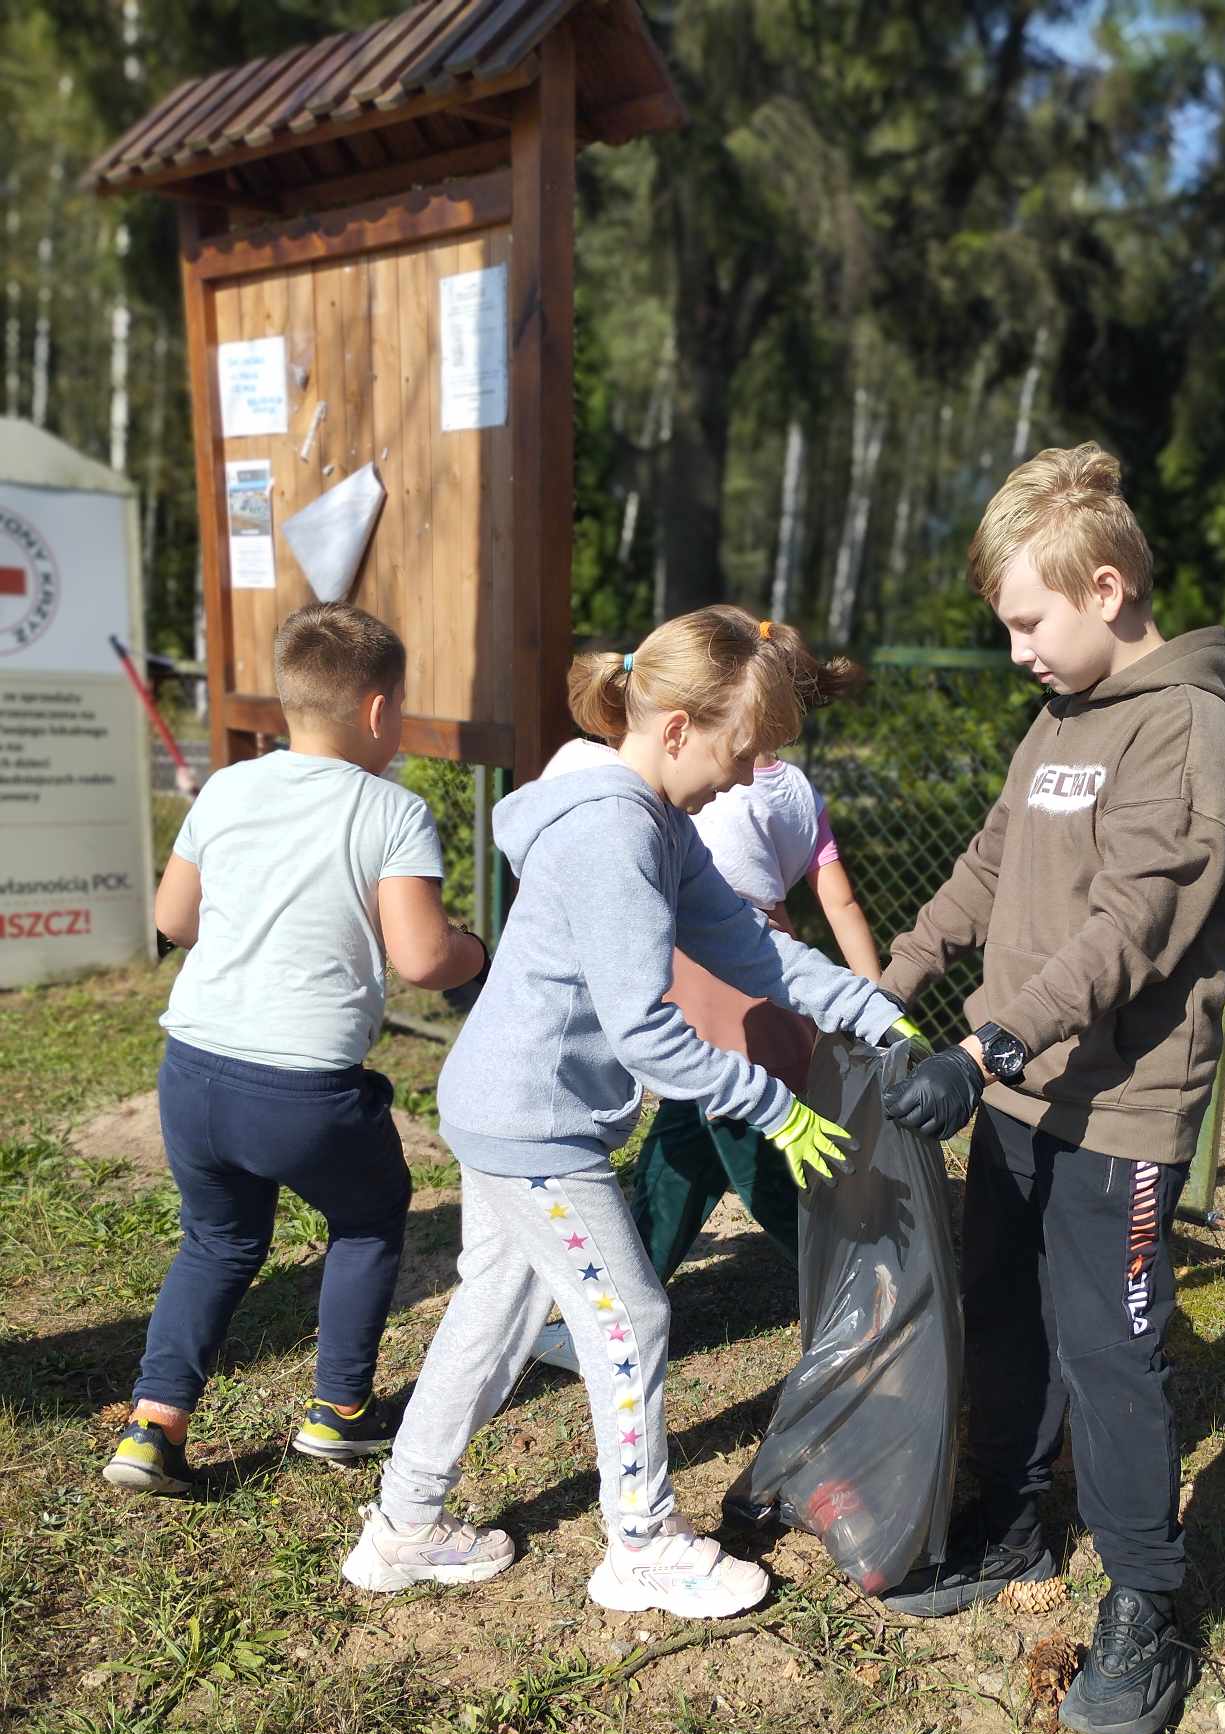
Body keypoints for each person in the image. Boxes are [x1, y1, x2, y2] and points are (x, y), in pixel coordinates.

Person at [342, 607, 914, 1618]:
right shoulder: (615, 830)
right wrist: (772, 1109)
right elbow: (645, 1031)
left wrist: (872, 1010)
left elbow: (752, 949)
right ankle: (641, 1544)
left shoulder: (654, 821)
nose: (746, 779)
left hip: (511, 1105)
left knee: (495, 1308)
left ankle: (404, 1524)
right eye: (741, 752)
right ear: (681, 729)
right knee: (632, 1314)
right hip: (532, 1122)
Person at [877, 443, 1225, 1734]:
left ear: (1106, 590)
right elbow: (991, 862)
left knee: (1113, 1355)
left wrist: (987, 1046)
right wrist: (899, 976)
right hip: (1019, 1096)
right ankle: (1011, 1522)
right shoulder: (1059, 720)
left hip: (1118, 1113)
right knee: (1004, 1315)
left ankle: (1150, 1597)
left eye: (1030, 622)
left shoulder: (1189, 732)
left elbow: (1132, 929)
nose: (1018, 651)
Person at [103, 603, 489, 1497]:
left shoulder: (227, 788)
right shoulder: (393, 810)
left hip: (192, 1069)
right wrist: (474, 952)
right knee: (368, 1216)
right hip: (305, 1089)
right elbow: (422, 958)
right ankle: (341, 1411)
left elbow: (173, 919)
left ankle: (153, 1428)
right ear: (381, 711)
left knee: (217, 1240)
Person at [529, 666, 882, 1372]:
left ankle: (857, 1294)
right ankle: (609, 1314)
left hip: (719, 983)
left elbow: (711, 917)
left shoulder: (697, 778)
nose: (737, 778)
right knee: (683, 1149)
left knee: (759, 1158)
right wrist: (869, 994)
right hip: (756, 978)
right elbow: (832, 901)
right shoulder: (793, 788)